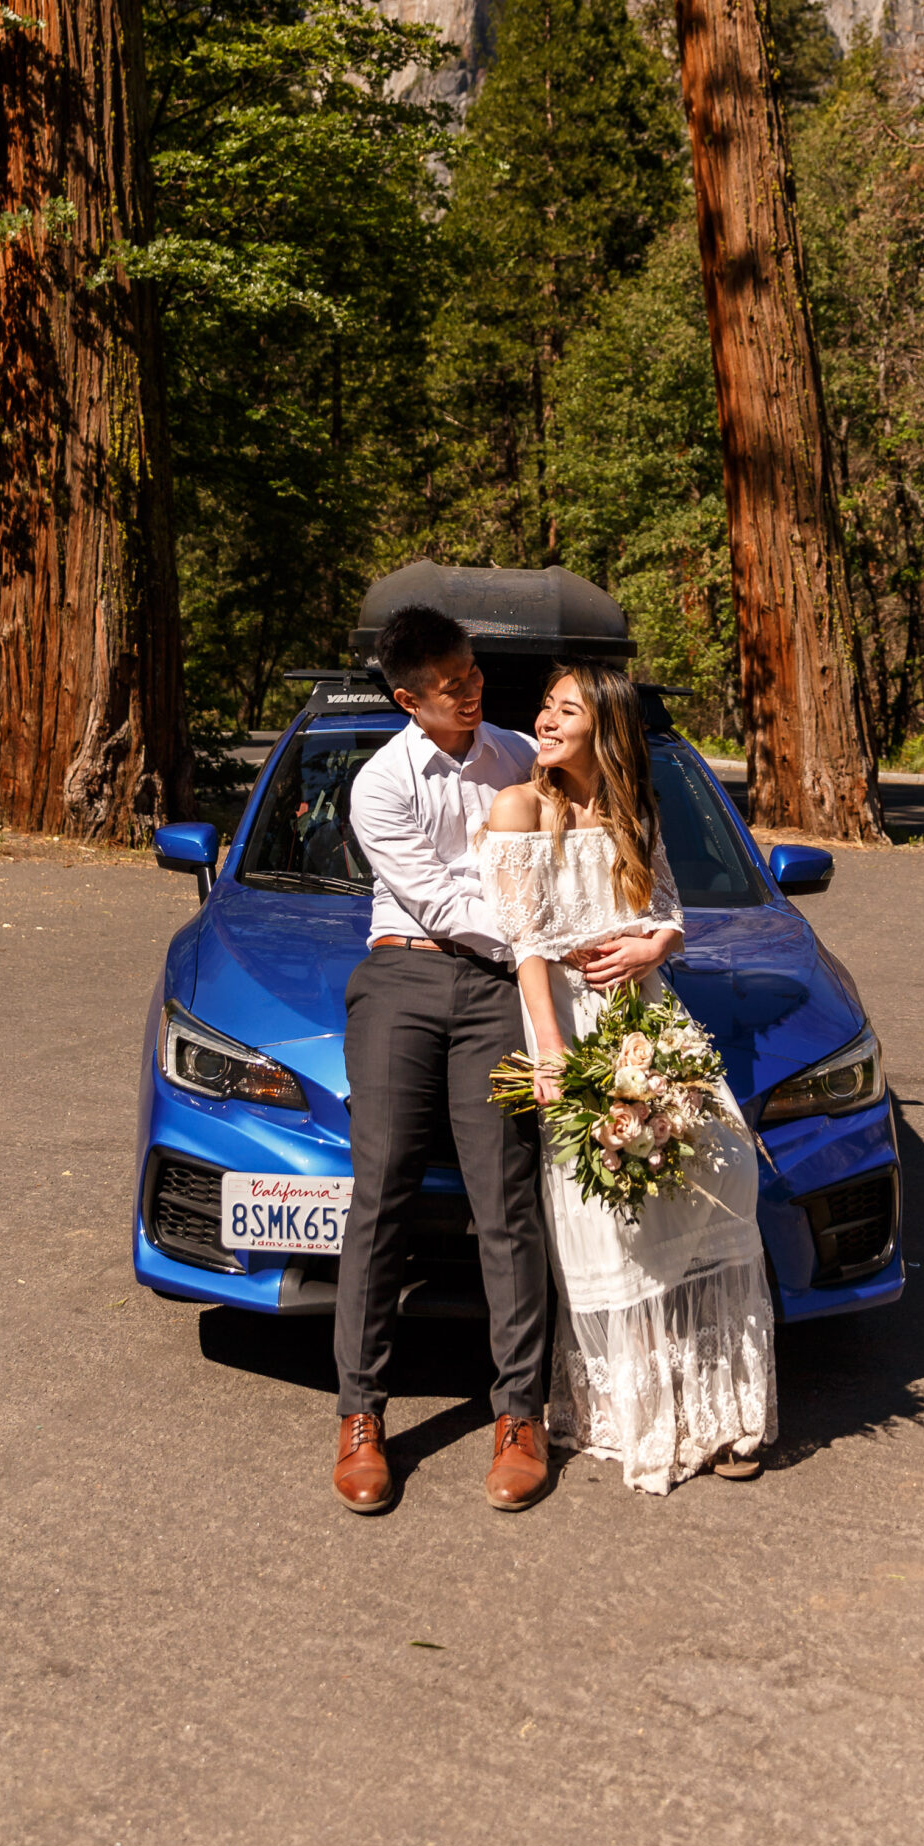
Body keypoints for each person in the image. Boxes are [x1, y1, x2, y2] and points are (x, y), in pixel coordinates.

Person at [479, 664, 777, 1494]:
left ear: (603, 727)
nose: (544, 718)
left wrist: (655, 944)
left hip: (652, 1021)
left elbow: (670, 910)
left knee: (717, 1187)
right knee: (609, 1224)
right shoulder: (519, 808)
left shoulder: (632, 810)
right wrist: (548, 1049)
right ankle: (642, 1416)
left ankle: (722, 1416)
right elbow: (523, 944)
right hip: (572, 1030)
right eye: (544, 704)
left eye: (564, 708)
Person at [333, 603, 552, 1516]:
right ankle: (359, 1416)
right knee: (379, 1188)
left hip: (500, 990)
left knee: (505, 1194)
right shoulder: (380, 786)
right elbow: (437, 899)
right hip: (408, 981)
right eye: (452, 686)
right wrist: (529, 923)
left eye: (473, 675)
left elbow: (568, 847)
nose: (472, 693)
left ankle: (519, 1414)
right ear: (407, 699)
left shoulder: (514, 752)